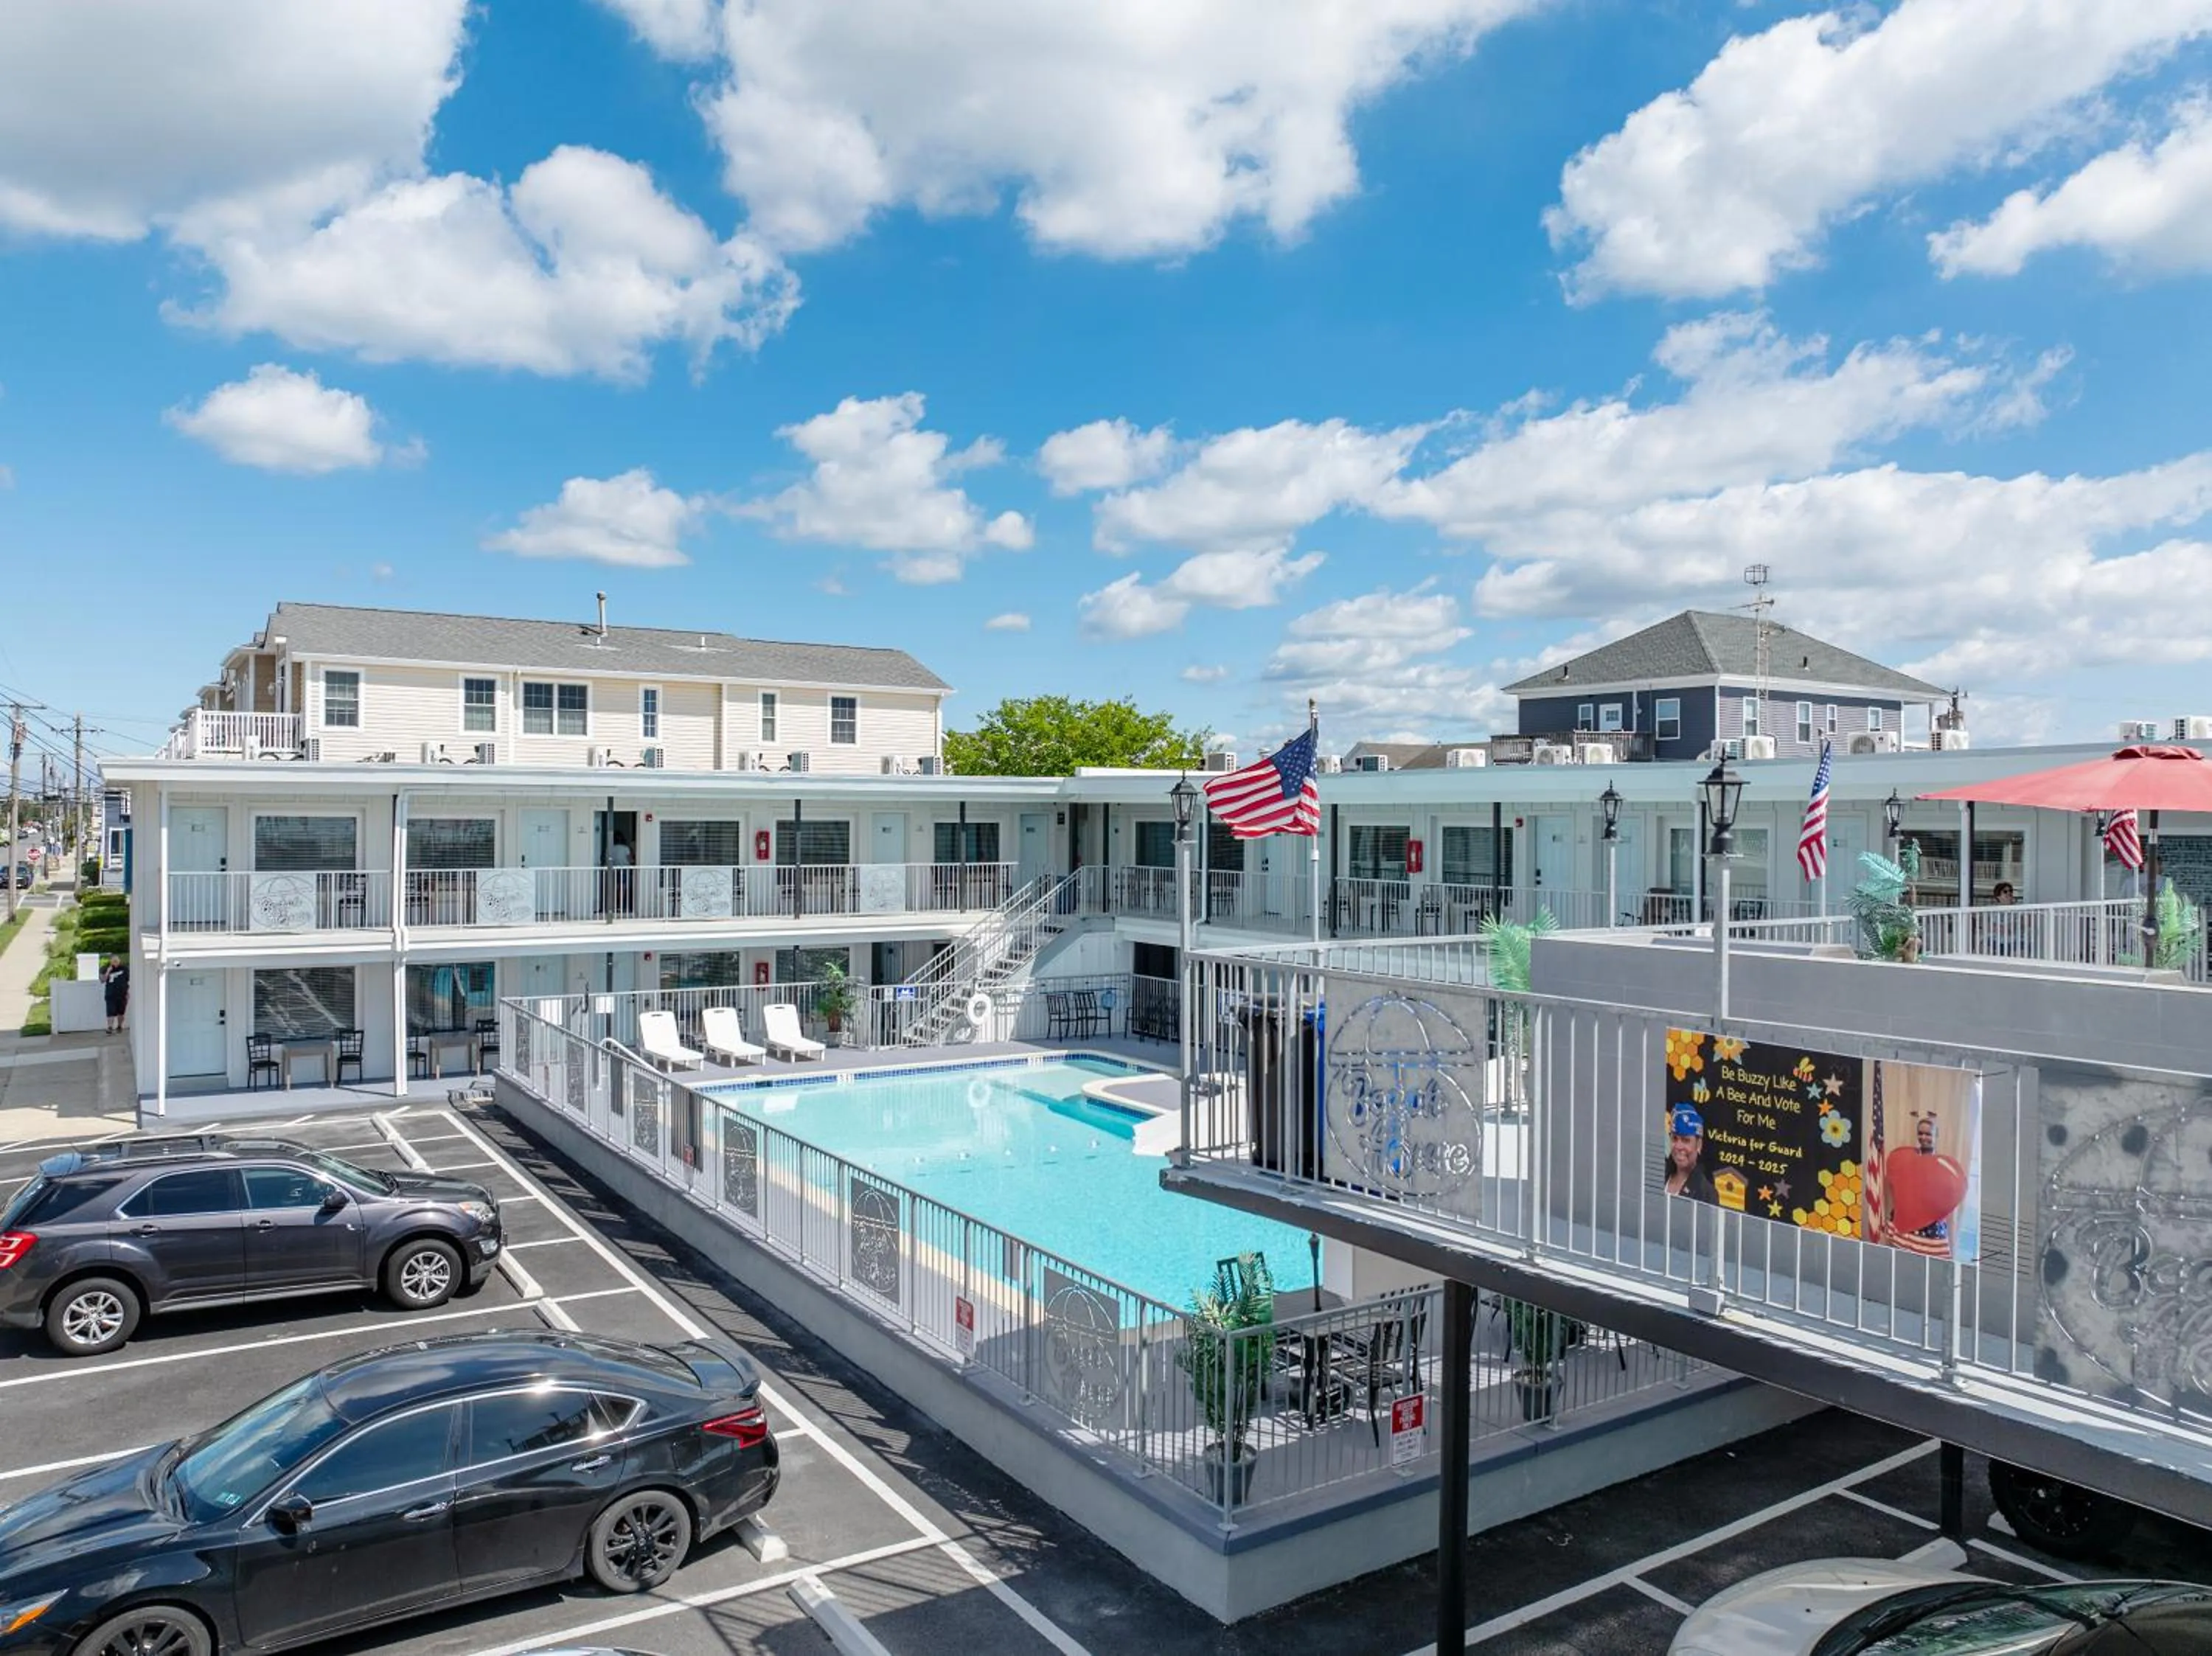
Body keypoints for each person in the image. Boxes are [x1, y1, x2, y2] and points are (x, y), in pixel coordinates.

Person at [1661, 1104, 1717, 1201]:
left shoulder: (1705, 1192)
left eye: (1685, 1140)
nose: (1678, 1146)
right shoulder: (1659, 1173)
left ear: (1699, 1145)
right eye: (1674, 1139)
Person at [102, 956, 129, 1034]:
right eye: (113, 961)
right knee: (110, 1011)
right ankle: (110, 1027)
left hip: (122, 994)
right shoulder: (106, 968)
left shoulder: (124, 969)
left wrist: (127, 992)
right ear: (111, 962)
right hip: (110, 994)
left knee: (121, 1012)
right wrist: (108, 972)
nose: (115, 963)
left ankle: (120, 1026)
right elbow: (103, 980)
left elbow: (127, 981)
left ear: (119, 961)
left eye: (116, 961)